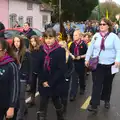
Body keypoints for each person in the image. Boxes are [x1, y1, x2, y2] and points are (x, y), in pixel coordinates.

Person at [85, 18, 120, 113]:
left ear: (108, 26)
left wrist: (117, 60)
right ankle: (94, 104)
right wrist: (87, 59)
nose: (101, 26)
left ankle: (106, 99)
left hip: (110, 65)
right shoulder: (96, 36)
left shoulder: (114, 37)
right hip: (98, 64)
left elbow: (118, 50)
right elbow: (90, 48)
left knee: (107, 84)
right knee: (97, 84)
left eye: (104, 24)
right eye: (100, 24)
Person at [37, 28, 67, 120]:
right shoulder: (42, 49)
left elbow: (61, 69)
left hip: (55, 82)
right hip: (44, 81)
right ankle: (42, 117)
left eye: (50, 38)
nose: (48, 40)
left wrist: (50, 82)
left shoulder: (60, 51)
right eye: (46, 38)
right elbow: (38, 66)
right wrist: (43, 80)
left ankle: (60, 116)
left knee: (56, 100)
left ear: (55, 38)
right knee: (43, 102)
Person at [11, 35, 32, 120]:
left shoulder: (26, 52)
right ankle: (25, 108)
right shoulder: (11, 52)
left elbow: (30, 66)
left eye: (18, 41)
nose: (16, 43)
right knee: (17, 97)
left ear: (21, 42)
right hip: (15, 78)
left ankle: (20, 116)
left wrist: (30, 79)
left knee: (21, 97)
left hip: (23, 77)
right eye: (15, 41)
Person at [0, 39, 20, 120]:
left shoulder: (11, 65)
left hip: (8, 104)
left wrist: (12, 107)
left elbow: (15, 87)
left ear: (4, 51)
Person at [69, 30, 87, 101]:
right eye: (73, 35)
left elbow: (87, 54)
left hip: (81, 63)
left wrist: (80, 56)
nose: (74, 37)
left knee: (81, 77)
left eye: (76, 35)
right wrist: (72, 55)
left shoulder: (83, 44)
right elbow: (69, 52)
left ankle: (82, 87)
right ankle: (72, 94)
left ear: (79, 36)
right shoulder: (72, 44)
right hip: (74, 63)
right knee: (74, 79)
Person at [59, 41, 74, 118]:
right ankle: (59, 107)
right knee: (58, 94)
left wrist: (67, 77)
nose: (60, 47)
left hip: (65, 79)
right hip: (58, 78)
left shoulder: (69, 56)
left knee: (64, 95)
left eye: (62, 45)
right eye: (59, 45)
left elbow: (71, 68)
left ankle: (64, 108)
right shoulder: (56, 55)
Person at [28, 35, 42, 106]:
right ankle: (32, 101)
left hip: (40, 71)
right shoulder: (30, 50)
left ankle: (44, 100)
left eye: (34, 41)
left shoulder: (41, 49)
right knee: (32, 86)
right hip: (33, 71)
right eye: (31, 41)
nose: (33, 43)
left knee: (41, 86)